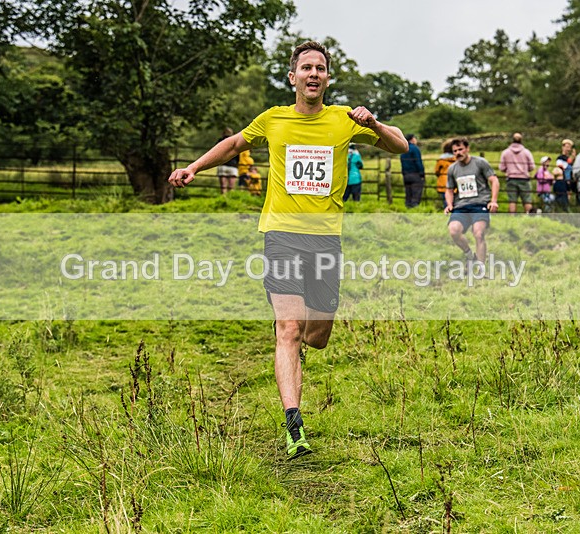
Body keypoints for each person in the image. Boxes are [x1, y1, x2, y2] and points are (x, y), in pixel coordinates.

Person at [168, 41, 408, 459]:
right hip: (280, 235)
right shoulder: (273, 120)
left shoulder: (345, 120)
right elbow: (231, 144)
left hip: (325, 240)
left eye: (321, 68)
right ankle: (294, 426)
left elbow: (400, 145)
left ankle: (295, 340)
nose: (314, 74)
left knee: (316, 336)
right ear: (293, 77)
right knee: (289, 330)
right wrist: (193, 167)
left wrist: (377, 123)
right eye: (306, 67)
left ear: (328, 79)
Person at [444, 137, 500, 262]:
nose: (458, 153)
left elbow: (494, 180)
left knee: (478, 233)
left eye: (460, 149)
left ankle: (481, 268)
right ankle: (470, 255)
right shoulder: (452, 169)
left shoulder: (480, 163)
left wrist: (494, 200)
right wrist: (449, 204)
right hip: (461, 206)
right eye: (455, 151)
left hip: (479, 204)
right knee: (454, 231)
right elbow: (449, 189)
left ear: (467, 149)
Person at [499, 132, 535, 213]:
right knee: (527, 200)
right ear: (521, 140)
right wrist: (525, 169)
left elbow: (501, 167)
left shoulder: (506, 152)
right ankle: (529, 218)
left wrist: (508, 170)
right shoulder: (526, 152)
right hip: (524, 179)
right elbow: (532, 166)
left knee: (512, 201)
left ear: (512, 140)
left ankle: (512, 218)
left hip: (511, 178)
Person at [400, 134, 425, 208]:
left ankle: (408, 206)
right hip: (415, 173)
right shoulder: (415, 149)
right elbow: (418, 162)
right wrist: (422, 173)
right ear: (412, 139)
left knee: (408, 191)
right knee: (416, 191)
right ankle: (415, 206)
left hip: (406, 174)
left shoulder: (403, 149)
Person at [216, 127, 240, 194]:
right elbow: (238, 154)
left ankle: (224, 199)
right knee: (231, 187)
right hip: (233, 166)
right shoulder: (235, 141)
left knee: (223, 187)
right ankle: (230, 200)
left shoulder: (219, 141)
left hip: (222, 165)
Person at [434, 140, 455, 209]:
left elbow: (436, 171)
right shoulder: (458, 159)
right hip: (455, 183)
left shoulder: (441, 160)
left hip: (444, 183)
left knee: (446, 200)